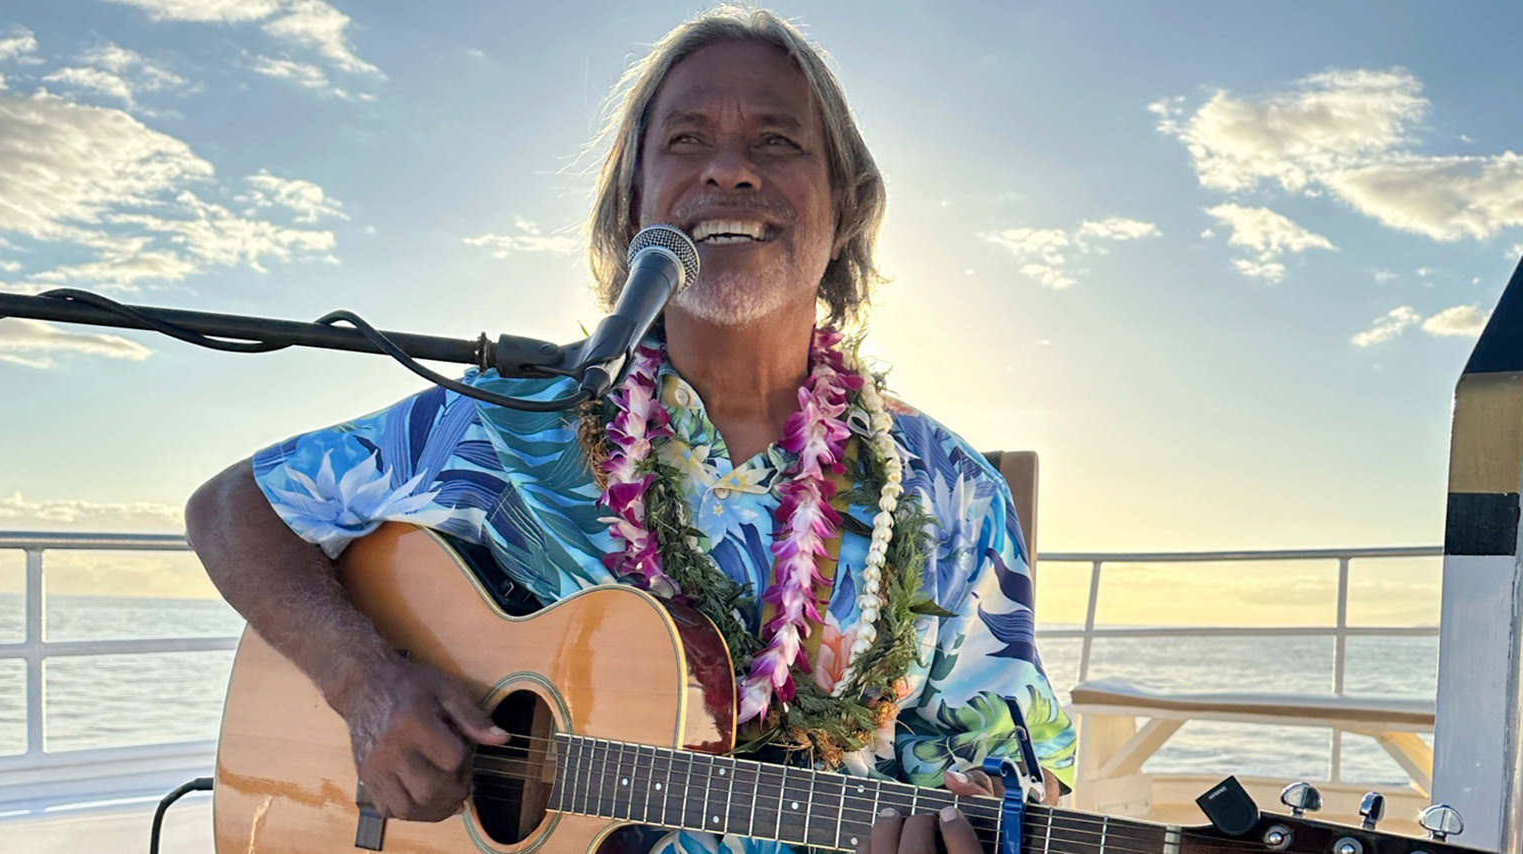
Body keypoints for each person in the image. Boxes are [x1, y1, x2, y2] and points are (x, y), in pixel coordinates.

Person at [185, 7, 1076, 854]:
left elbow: (1004, 768)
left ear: (846, 207)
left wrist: (976, 822)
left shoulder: (949, 494)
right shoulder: (515, 418)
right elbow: (234, 508)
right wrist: (363, 682)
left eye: (777, 141)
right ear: (632, 208)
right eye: (687, 141)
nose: (730, 171)